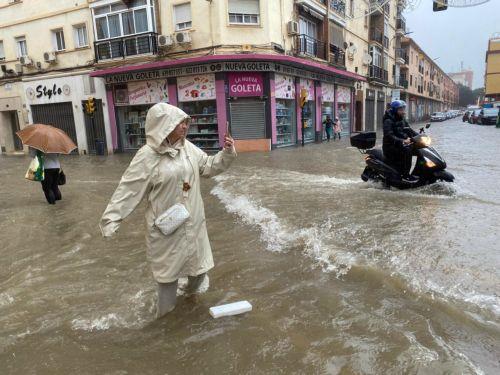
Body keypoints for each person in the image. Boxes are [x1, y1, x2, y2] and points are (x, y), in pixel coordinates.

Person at [99, 103, 236, 319]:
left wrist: (226, 153)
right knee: (167, 279)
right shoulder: (147, 156)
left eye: (185, 122)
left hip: (193, 222)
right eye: (179, 122)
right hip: (166, 228)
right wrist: (112, 219)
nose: (184, 126)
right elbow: (128, 189)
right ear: (164, 126)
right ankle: (165, 322)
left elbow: (208, 166)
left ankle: (189, 299)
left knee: (199, 271)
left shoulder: (188, 148)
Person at [382, 100, 418, 179]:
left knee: (418, 149)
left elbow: (409, 130)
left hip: (400, 144)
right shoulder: (388, 120)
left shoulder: (402, 119)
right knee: (408, 150)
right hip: (390, 146)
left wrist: (420, 136)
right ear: (395, 110)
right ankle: (405, 175)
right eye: (400, 110)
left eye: (403, 109)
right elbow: (389, 135)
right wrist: (402, 141)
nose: (403, 112)